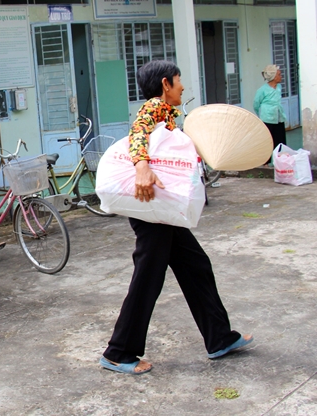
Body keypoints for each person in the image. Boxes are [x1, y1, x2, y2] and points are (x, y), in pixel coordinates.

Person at [99, 60, 253, 375]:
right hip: (153, 207)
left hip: (161, 206)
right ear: (166, 84)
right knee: (148, 278)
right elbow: (138, 131)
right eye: (180, 81)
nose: (183, 87)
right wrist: (141, 166)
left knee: (195, 265)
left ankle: (219, 338)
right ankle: (119, 352)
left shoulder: (168, 113)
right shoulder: (153, 107)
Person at [254, 64, 286, 165]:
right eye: (279, 75)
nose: (281, 76)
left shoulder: (279, 87)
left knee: (280, 141)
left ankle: (280, 162)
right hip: (267, 118)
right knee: (268, 142)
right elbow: (256, 104)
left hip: (278, 117)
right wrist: (261, 115)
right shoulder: (262, 90)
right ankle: (265, 163)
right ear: (273, 77)